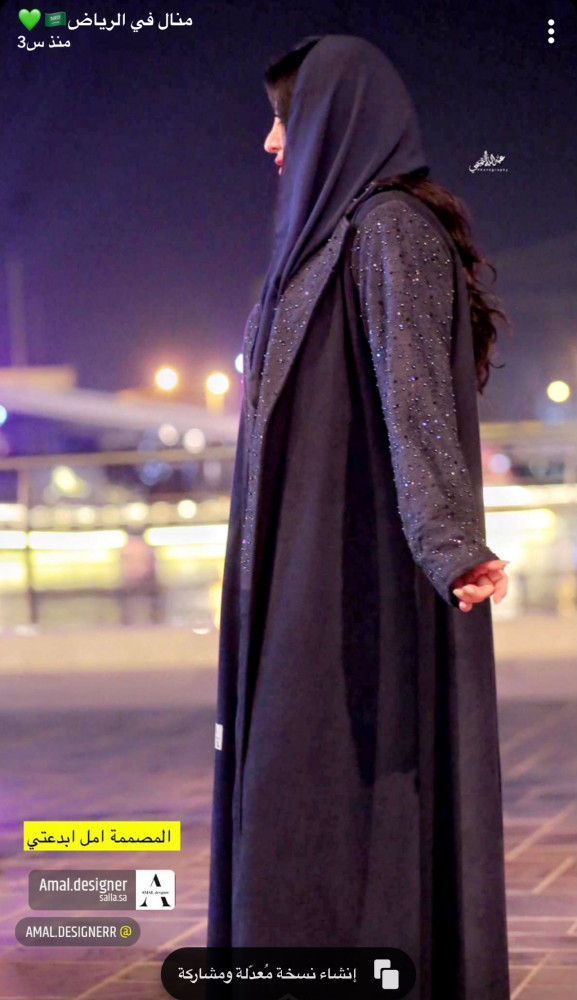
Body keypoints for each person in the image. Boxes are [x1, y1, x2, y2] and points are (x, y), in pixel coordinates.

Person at [207, 33, 512, 999]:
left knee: (333, 808)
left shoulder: (388, 232)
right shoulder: (314, 248)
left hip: (351, 591)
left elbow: (414, 399)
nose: (269, 142)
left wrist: (448, 543)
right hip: (297, 584)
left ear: (336, 122)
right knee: (289, 803)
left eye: (284, 119)